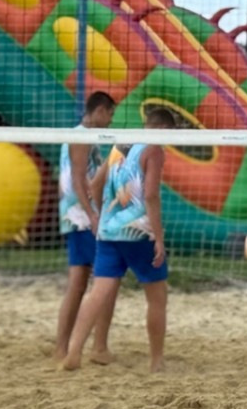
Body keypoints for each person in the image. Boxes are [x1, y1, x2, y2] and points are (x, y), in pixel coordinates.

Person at [62, 104, 176, 373]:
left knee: (97, 293)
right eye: (170, 134)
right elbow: (150, 195)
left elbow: (94, 184)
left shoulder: (119, 145)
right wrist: (159, 238)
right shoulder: (154, 150)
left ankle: (74, 353)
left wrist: (102, 215)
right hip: (139, 233)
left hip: (108, 232)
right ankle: (156, 361)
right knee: (157, 297)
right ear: (162, 128)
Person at [55, 91, 118, 363]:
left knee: (80, 283)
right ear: (100, 110)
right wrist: (93, 215)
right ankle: (97, 347)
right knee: (106, 279)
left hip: (76, 217)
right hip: (81, 218)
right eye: (110, 114)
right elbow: (79, 180)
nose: (111, 120)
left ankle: (63, 347)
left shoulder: (83, 136)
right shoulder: (81, 136)